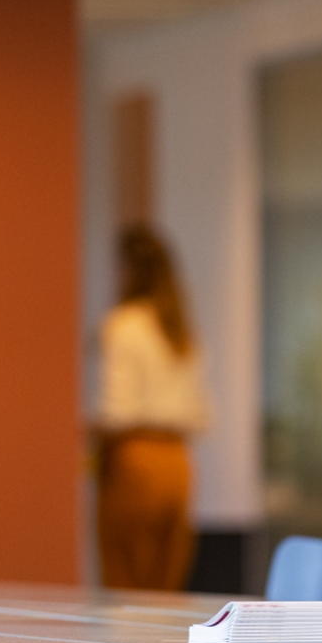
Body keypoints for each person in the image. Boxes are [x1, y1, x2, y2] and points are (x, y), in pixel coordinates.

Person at [94, 224, 211, 590]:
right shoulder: (179, 329)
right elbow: (201, 407)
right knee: (166, 586)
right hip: (177, 462)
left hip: (136, 460)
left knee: (126, 584)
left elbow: (118, 410)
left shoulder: (125, 324)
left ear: (127, 269)